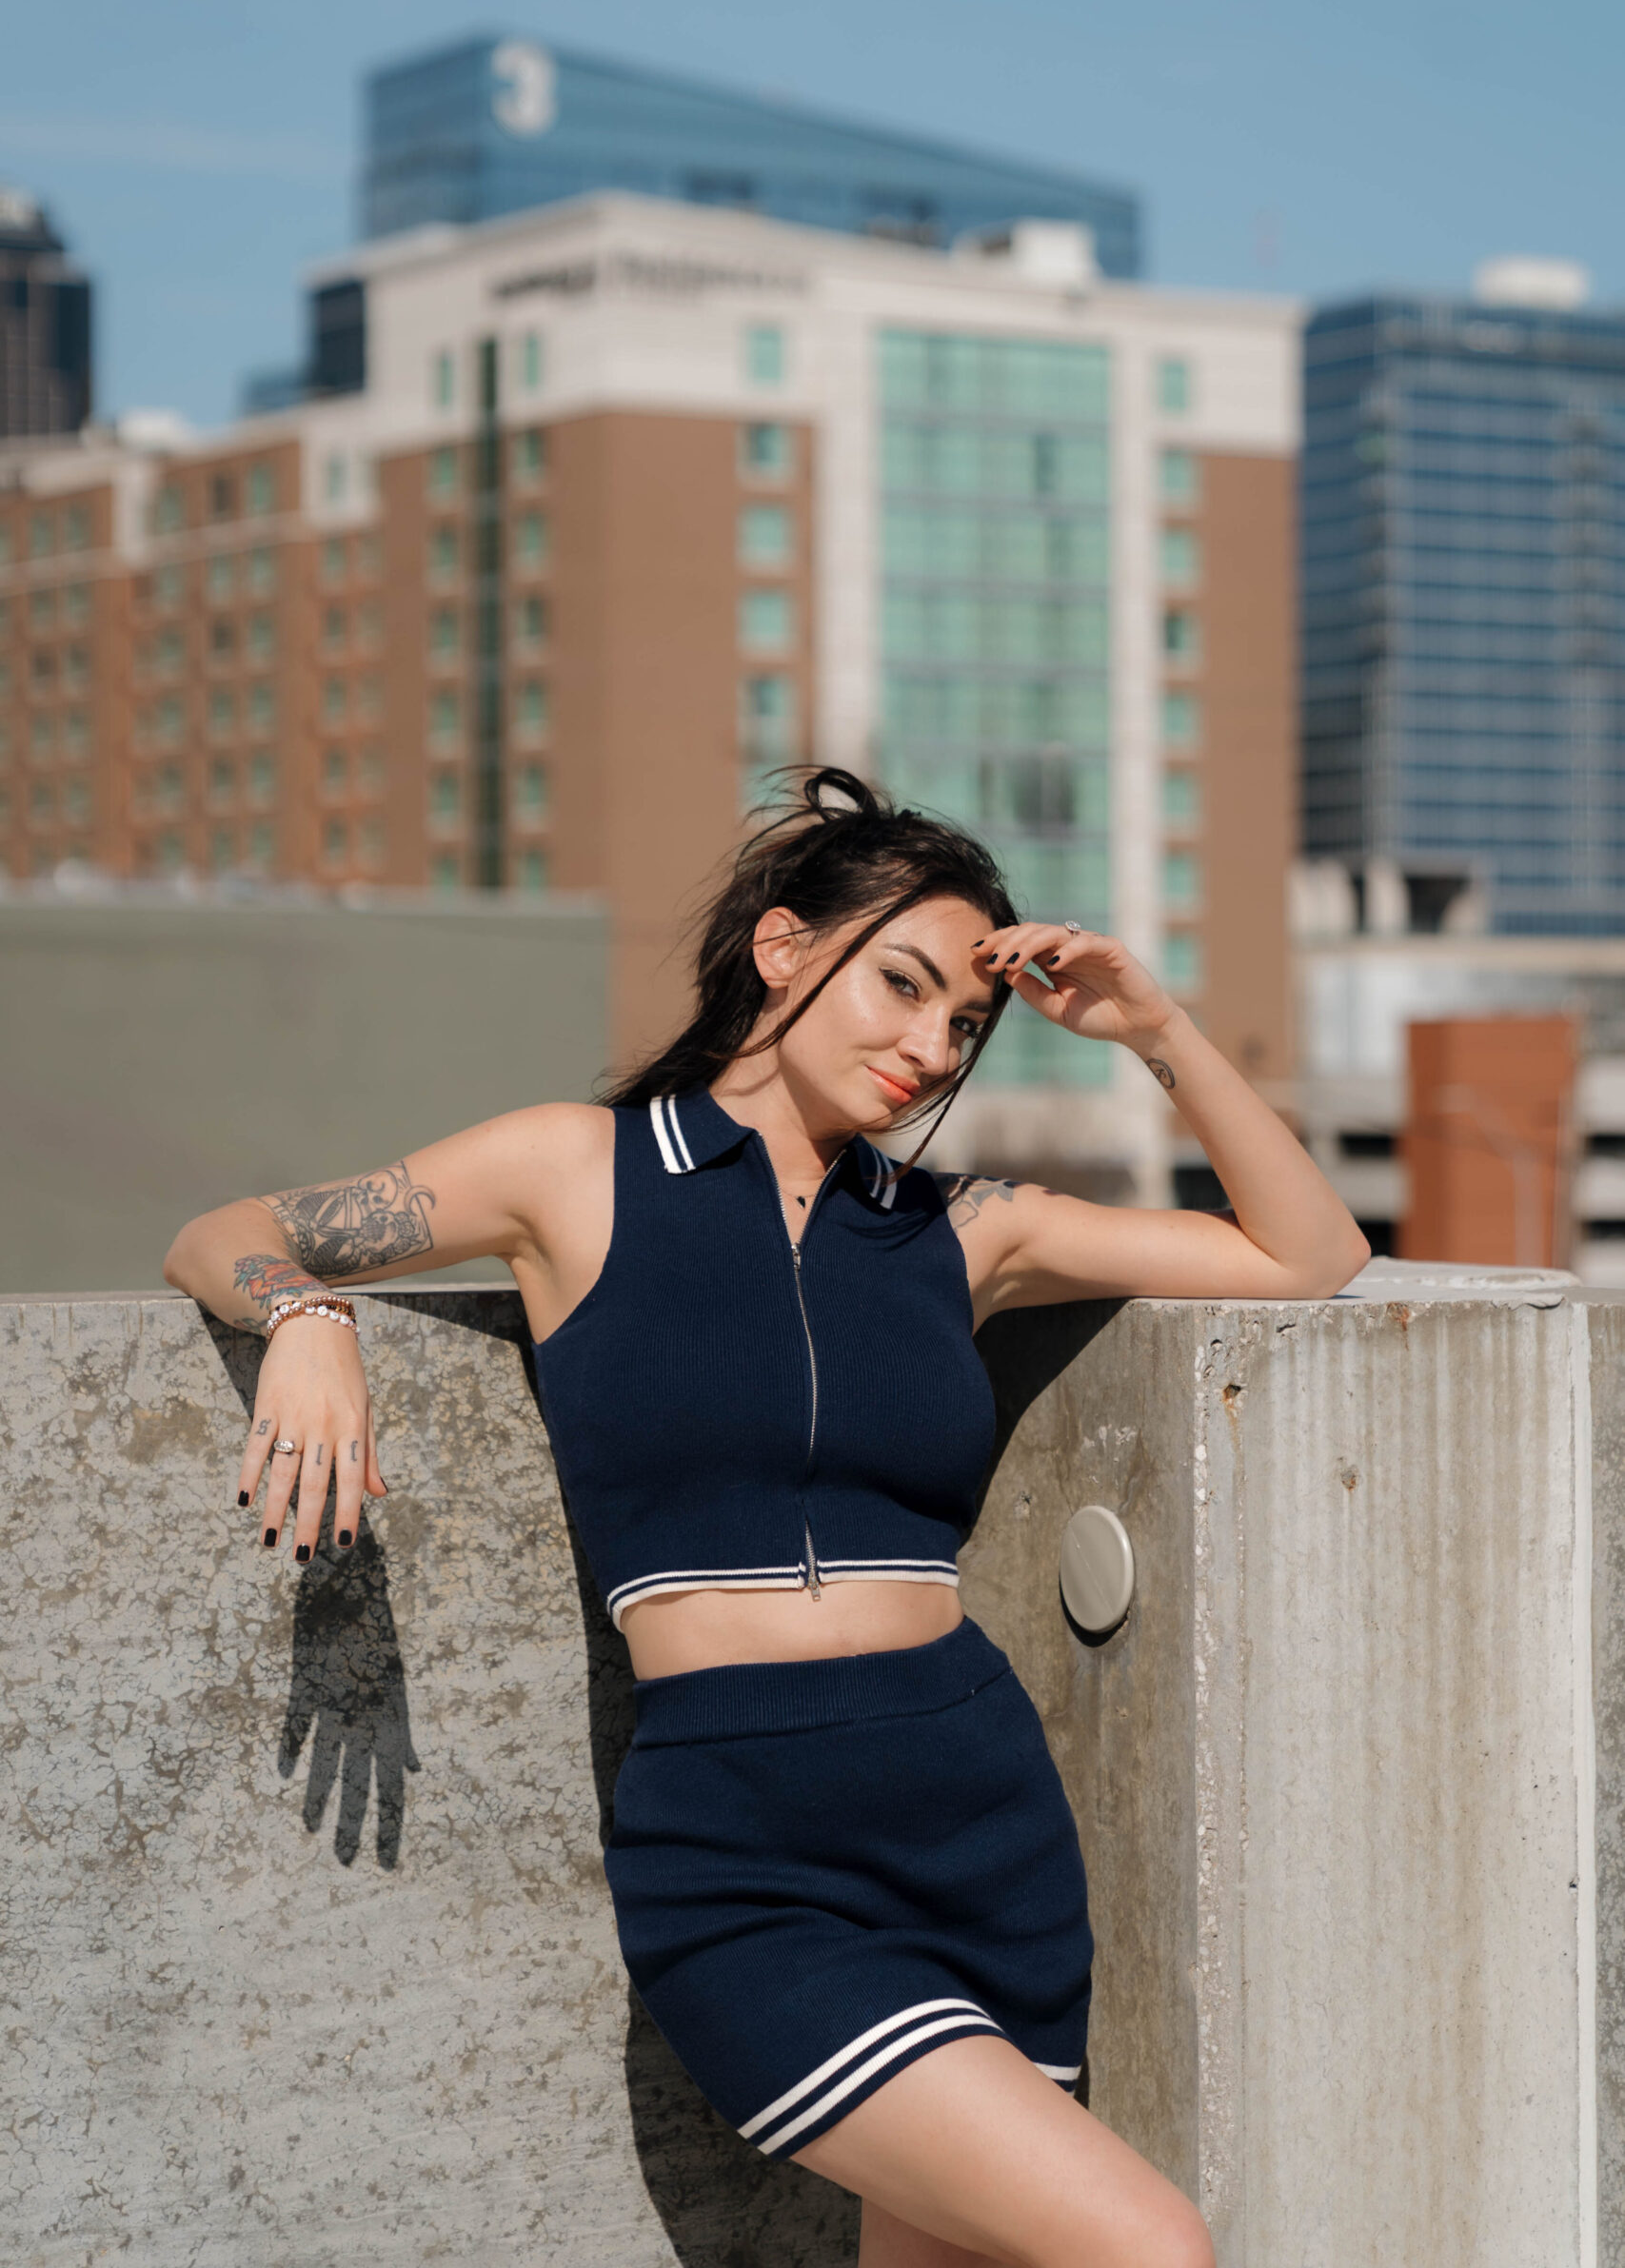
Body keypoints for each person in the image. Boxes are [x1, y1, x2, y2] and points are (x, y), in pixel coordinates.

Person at [166, 768, 1368, 2268]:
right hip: (749, 1847)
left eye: (964, 1027)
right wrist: (307, 1323)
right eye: (902, 986)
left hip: (975, 1816)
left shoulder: (958, 1232)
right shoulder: (579, 1171)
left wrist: (1157, 1030)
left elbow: (1311, 1254)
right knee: (1150, 2245)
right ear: (784, 950)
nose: (930, 1049)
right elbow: (231, 1231)